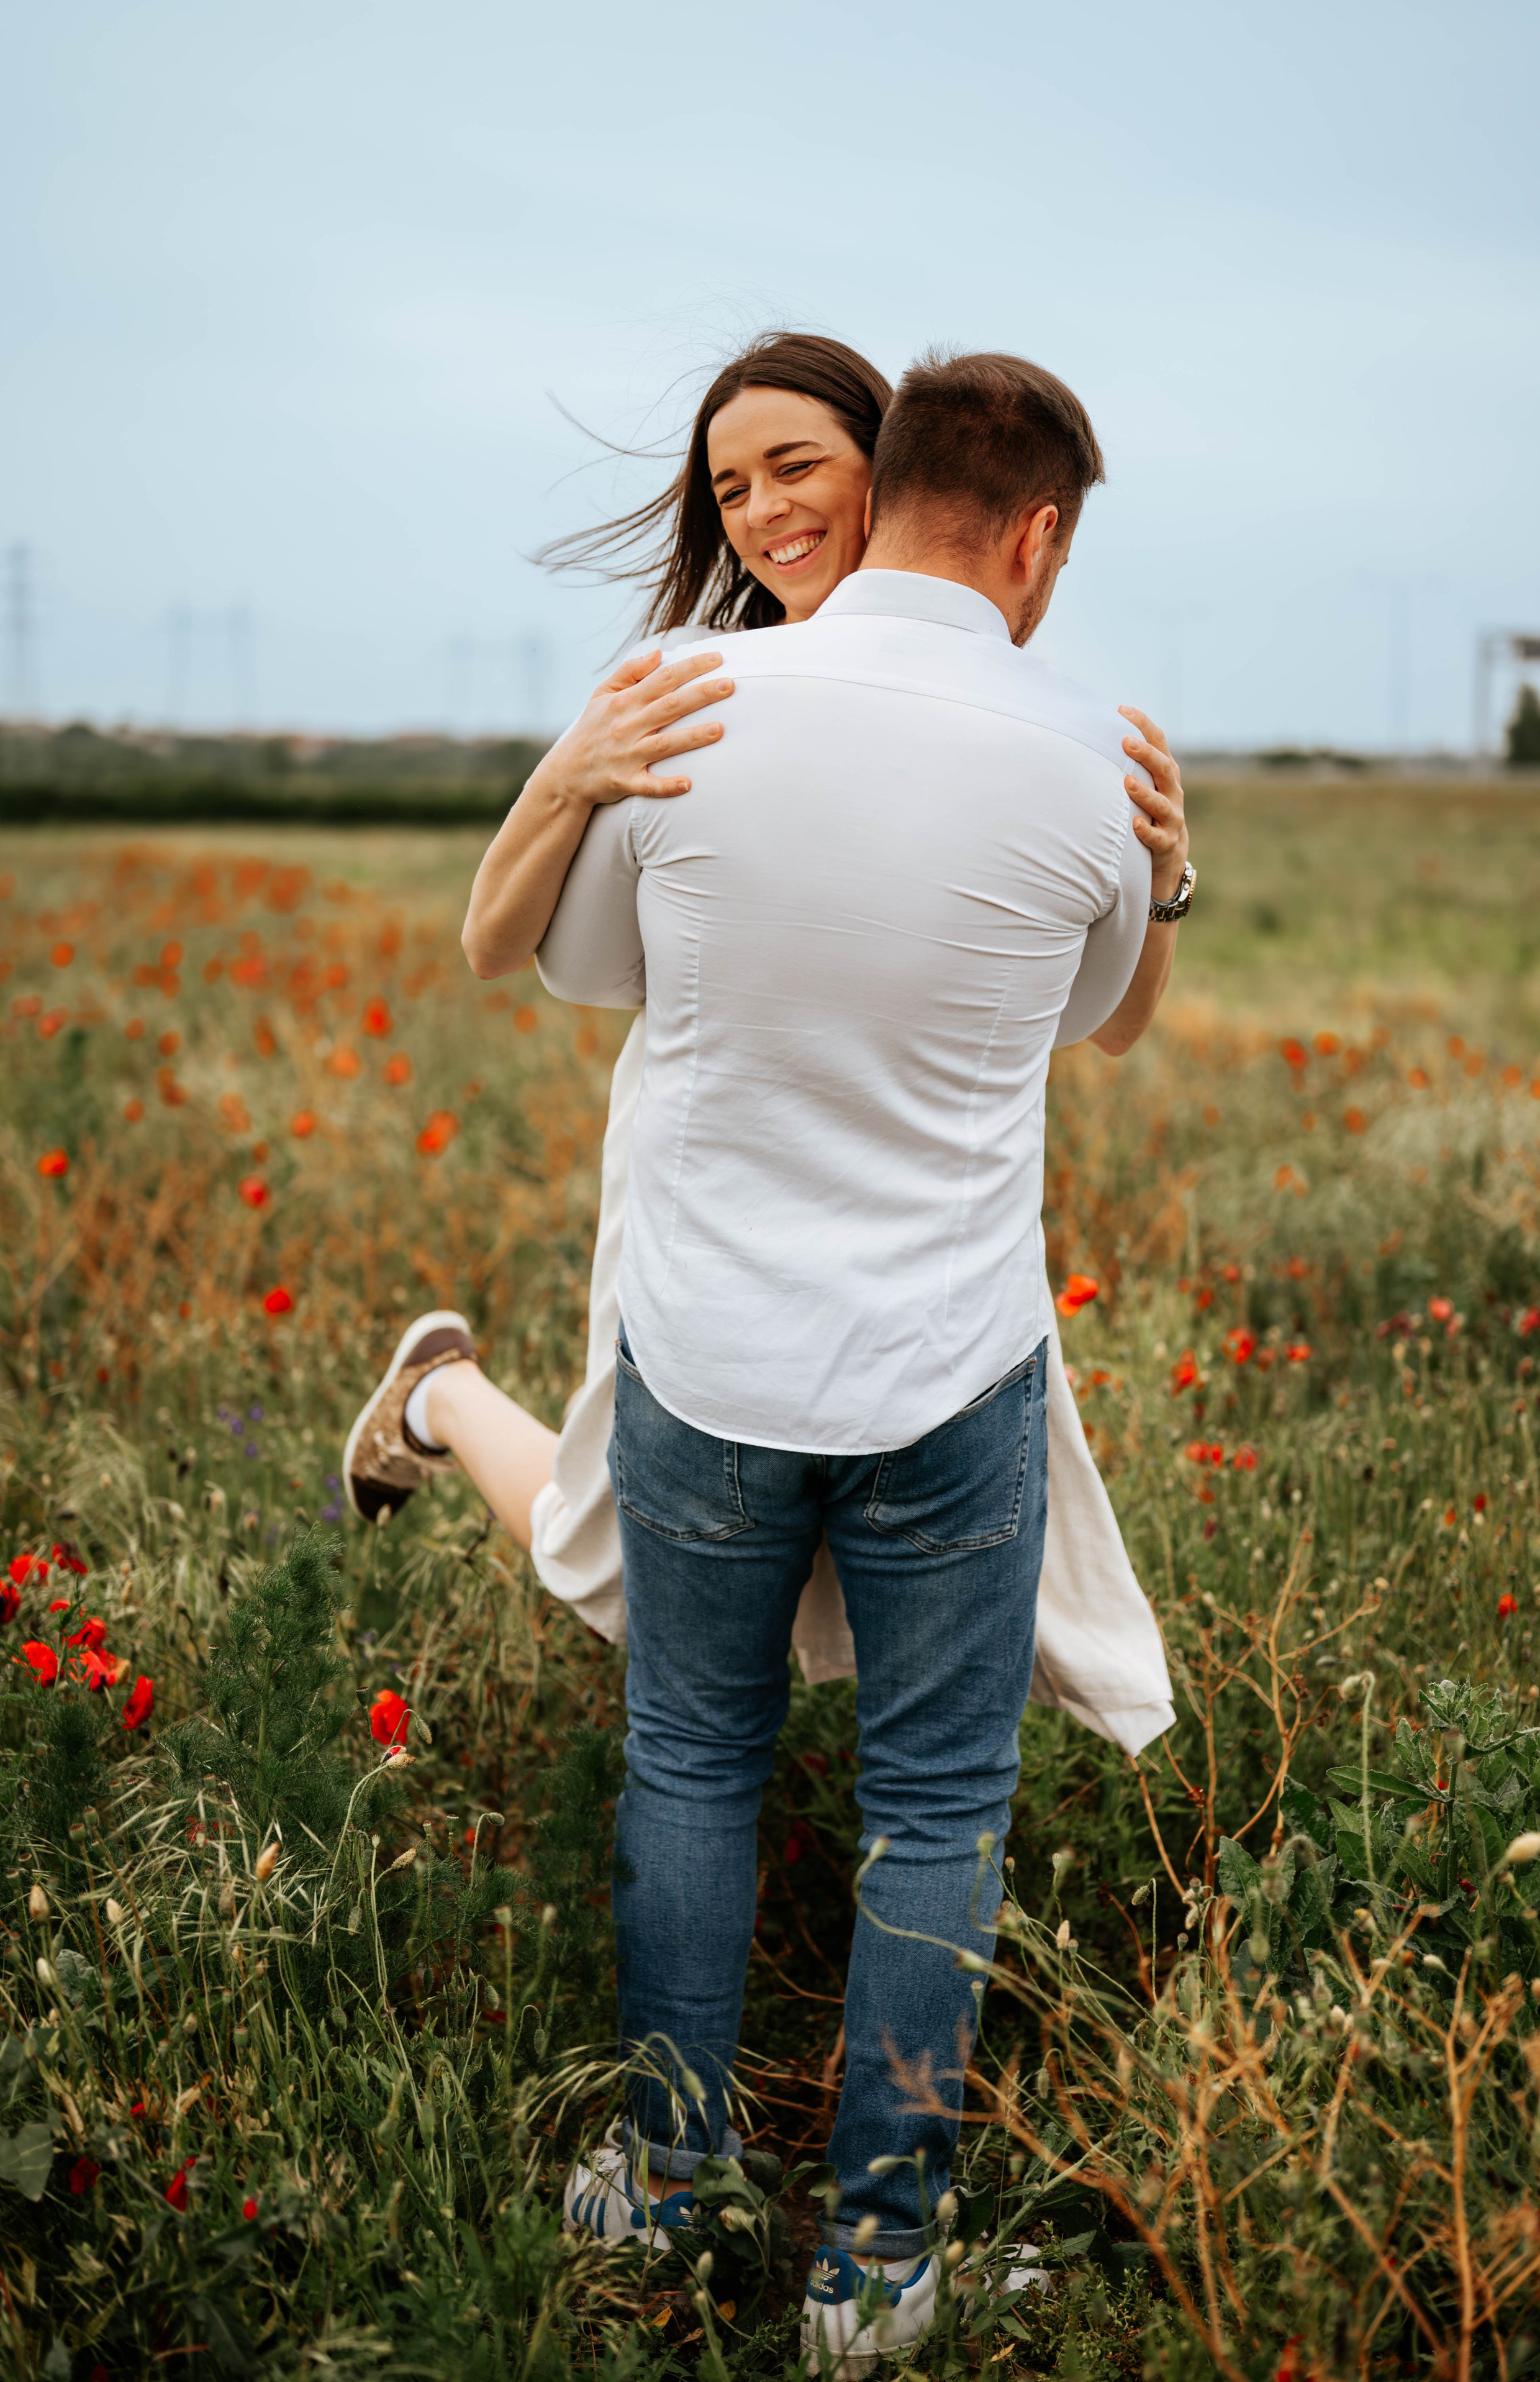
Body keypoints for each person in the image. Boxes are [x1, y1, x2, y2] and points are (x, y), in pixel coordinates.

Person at [458, 347, 1190, 2371]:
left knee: (691, 1761)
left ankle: (677, 2187)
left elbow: (584, 966)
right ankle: (878, 2271)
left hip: (702, 1344)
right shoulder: (1092, 760)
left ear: (885, 489)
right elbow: (1109, 1018)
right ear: (1035, 534)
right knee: (935, 1803)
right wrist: (1175, 863)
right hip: (950, 1363)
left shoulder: (688, 713)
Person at [342, 332, 1180, 1753]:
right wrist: (565, 778)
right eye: (729, 488)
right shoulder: (691, 691)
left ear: (891, 469)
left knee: (790, 1614)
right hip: (714, 1204)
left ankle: (441, 1398)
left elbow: (1094, 1015)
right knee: (600, 1558)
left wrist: (1162, 879)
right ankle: (437, 1393)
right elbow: (498, 944)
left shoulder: (1015, 718)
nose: (763, 513)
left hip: (916, 1254)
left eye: (796, 466)